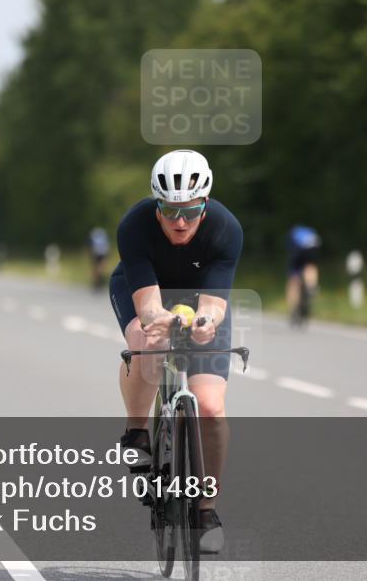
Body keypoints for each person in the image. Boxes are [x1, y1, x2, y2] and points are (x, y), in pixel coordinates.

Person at [109, 149, 242, 553]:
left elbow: (214, 306)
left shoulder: (225, 228)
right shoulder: (134, 226)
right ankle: (136, 432)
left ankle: (205, 510)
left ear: (205, 204)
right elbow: (148, 307)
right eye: (169, 210)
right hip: (146, 290)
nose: (180, 221)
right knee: (146, 341)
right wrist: (157, 321)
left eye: (190, 210)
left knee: (211, 408)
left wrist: (205, 325)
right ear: (156, 206)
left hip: (202, 298)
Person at [286, 224, 321, 323]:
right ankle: (311, 286)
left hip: (299, 249)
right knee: (310, 265)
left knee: (293, 280)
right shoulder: (310, 231)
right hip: (314, 245)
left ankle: (293, 308)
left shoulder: (292, 234)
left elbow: (292, 254)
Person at [88, 226, 111, 292]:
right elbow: (107, 245)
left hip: (95, 253)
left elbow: (90, 245)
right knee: (100, 268)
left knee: (96, 269)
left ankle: (96, 283)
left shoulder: (93, 235)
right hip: (103, 253)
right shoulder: (103, 235)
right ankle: (98, 283)